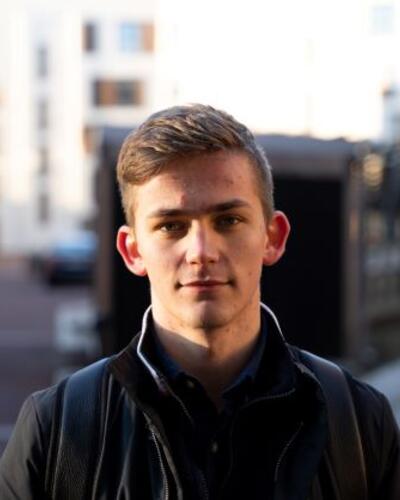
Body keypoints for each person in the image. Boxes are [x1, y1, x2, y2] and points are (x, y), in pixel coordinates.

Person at [1, 104, 399, 499]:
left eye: (228, 220)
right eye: (171, 226)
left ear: (273, 238)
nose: (201, 252)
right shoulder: (57, 431)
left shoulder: (358, 423)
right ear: (132, 251)